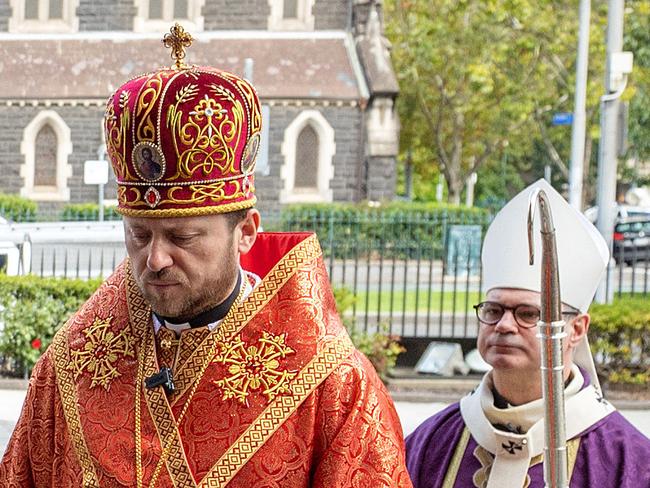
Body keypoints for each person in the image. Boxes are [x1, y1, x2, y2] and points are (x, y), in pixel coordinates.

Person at [0, 25, 412, 488]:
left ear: (246, 233)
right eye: (138, 234)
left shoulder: (334, 386)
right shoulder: (68, 367)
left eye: (184, 237)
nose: (154, 259)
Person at [406, 179, 650, 487]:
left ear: (576, 329)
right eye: (493, 311)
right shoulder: (432, 441)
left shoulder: (628, 460)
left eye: (528, 314)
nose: (504, 325)